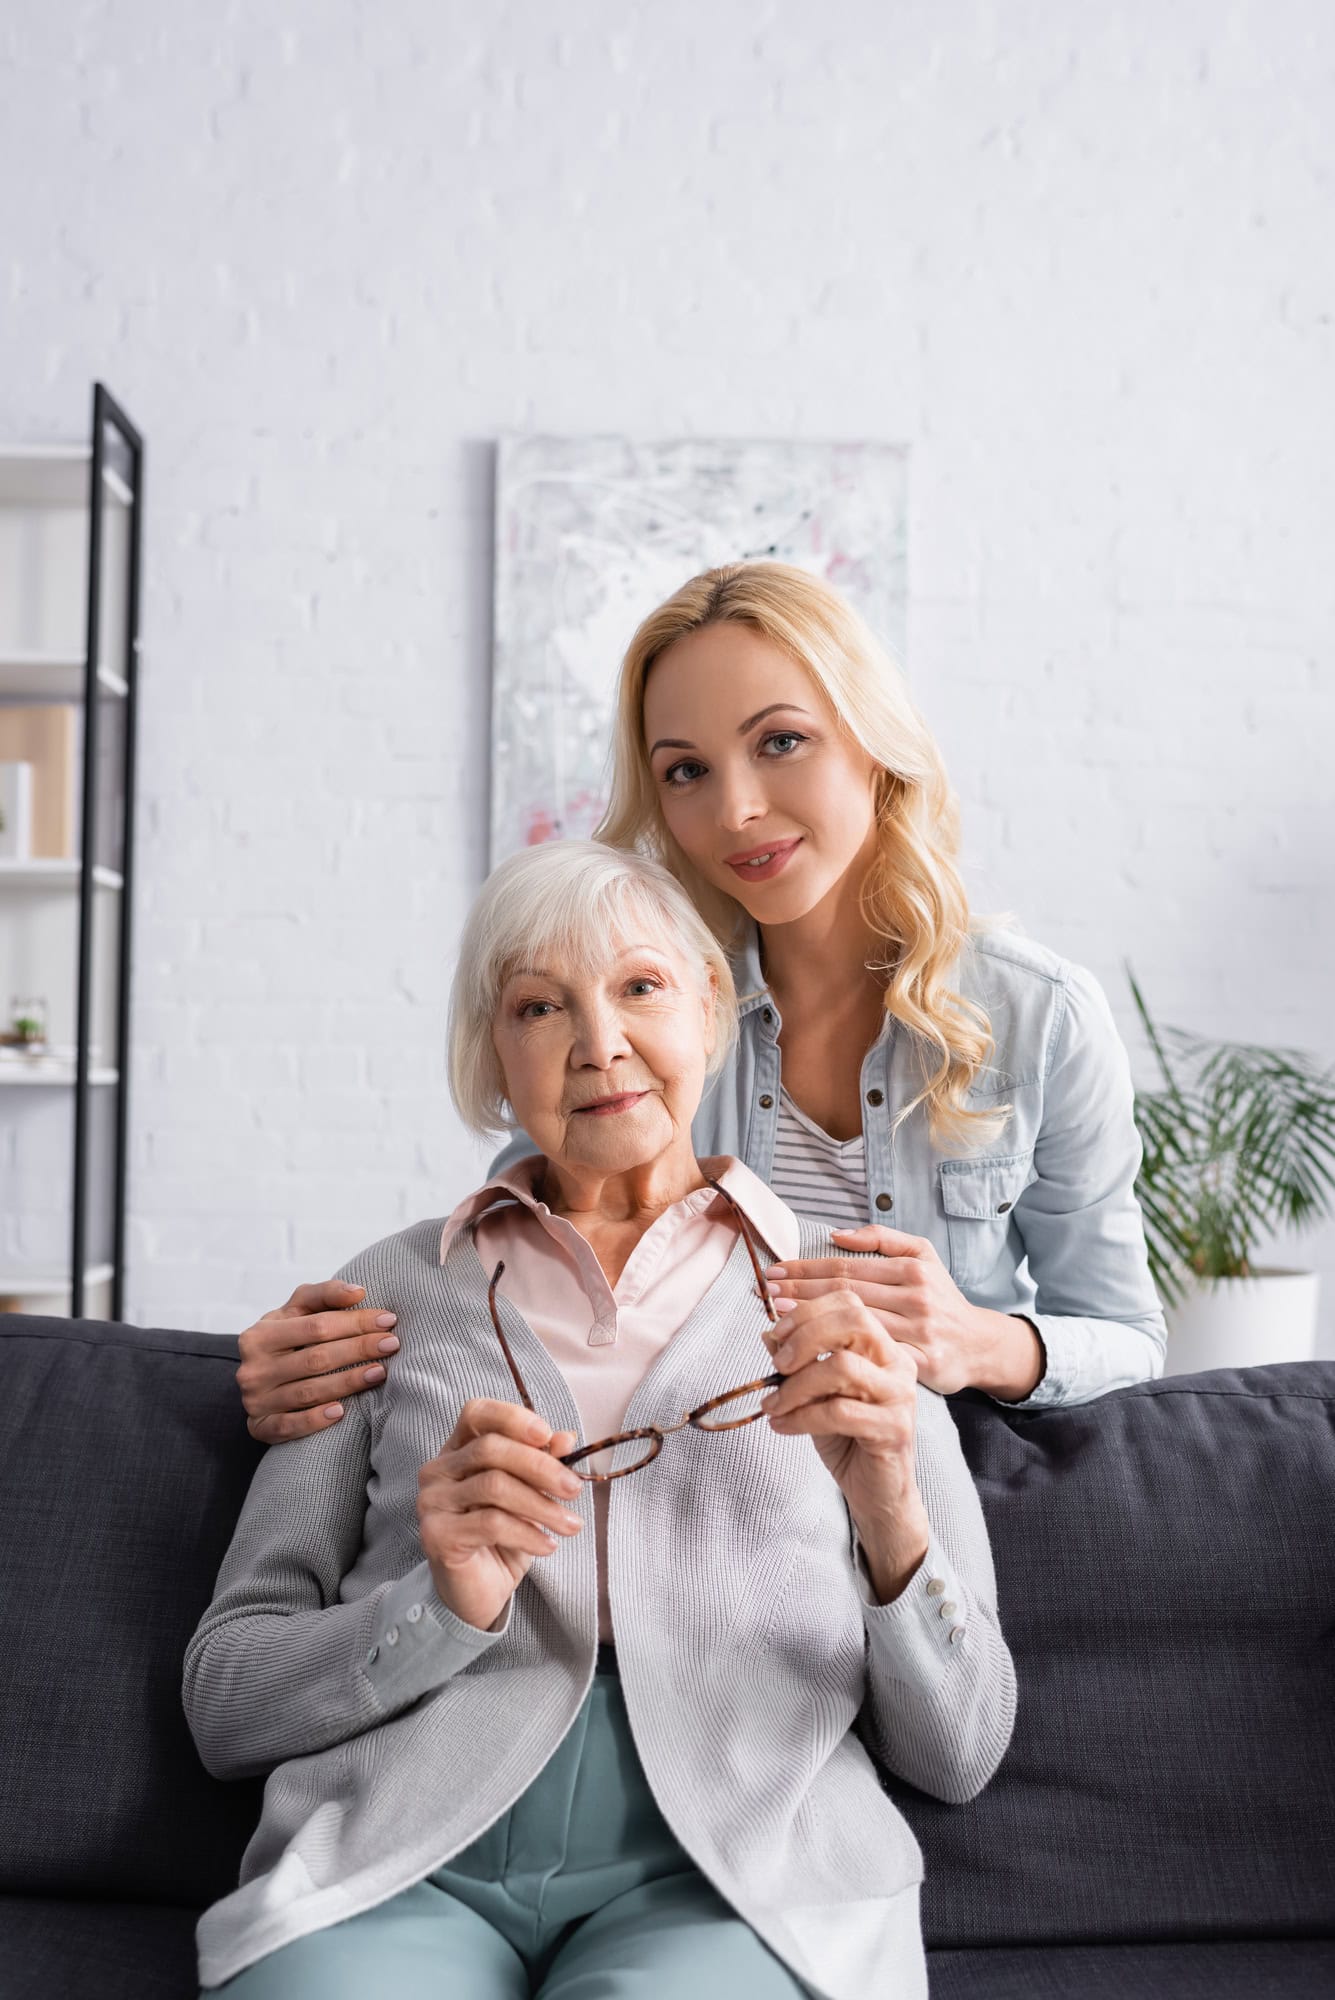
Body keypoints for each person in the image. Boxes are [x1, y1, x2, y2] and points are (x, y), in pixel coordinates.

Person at [185, 840, 1016, 2000]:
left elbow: (964, 1748)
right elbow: (227, 1698)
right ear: (494, 1053)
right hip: (395, 1858)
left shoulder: (843, 1300)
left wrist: (887, 1505)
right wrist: (442, 1601)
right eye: (540, 1004)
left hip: (737, 1873)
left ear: (712, 1007)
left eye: (640, 986)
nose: (599, 1041)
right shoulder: (383, 1299)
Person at [234, 561, 1164, 1444]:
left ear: (874, 745)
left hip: (922, 1493)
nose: (734, 811)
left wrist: (980, 1341)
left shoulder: (1040, 1018)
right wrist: (328, 1356)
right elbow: (525, 1260)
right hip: (692, 1500)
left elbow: (1128, 1336)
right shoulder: (645, 1006)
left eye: (780, 742)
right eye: (686, 770)